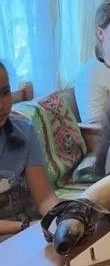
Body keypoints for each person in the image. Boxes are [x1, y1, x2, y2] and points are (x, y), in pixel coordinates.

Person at [0, 60, 60, 240]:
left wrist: (60, 216)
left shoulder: (24, 131)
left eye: (5, 92)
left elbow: (44, 198)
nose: (1, 105)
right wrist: (27, 227)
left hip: (28, 226)